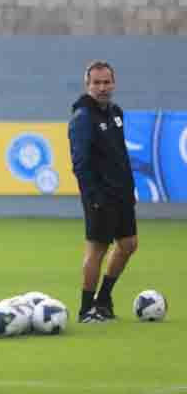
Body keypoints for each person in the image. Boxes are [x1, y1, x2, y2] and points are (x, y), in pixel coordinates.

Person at [68, 60, 137, 323]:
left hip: (121, 194)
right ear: (87, 86)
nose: (102, 87)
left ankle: (104, 300)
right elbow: (80, 163)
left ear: (114, 84)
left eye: (107, 82)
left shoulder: (116, 113)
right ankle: (86, 309)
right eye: (96, 83)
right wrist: (93, 196)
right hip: (100, 196)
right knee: (96, 250)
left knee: (129, 245)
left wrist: (129, 188)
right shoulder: (82, 118)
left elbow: (120, 155)